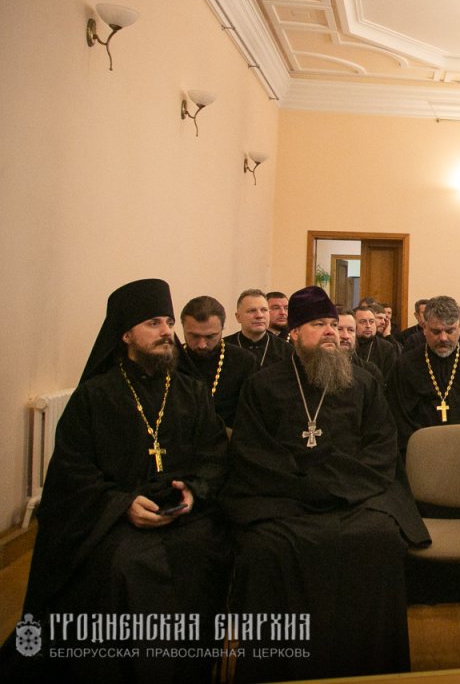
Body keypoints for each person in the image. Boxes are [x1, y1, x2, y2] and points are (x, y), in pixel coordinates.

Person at [2, 279, 230, 682]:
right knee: (126, 564)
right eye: (153, 323)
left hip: (185, 515)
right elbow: (72, 474)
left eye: (167, 322)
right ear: (126, 335)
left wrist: (194, 492)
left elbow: (215, 455)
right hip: (113, 518)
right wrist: (122, 503)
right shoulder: (94, 397)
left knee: (204, 554)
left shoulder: (191, 393)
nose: (165, 332)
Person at [222, 286, 428, 682]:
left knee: (380, 537)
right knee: (265, 548)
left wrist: (333, 483)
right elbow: (252, 453)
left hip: (354, 499)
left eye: (334, 324)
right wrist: (307, 484)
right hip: (285, 501)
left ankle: (370, 669)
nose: (333, 332)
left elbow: (382, 448)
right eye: (319, 325)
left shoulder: (364, 383)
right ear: (294, 333)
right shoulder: (263, 385)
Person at [388, 295, 460, 446]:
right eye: (436, 331)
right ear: (424, 327)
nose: (443, 338)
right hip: (421, 450)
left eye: (450, 331)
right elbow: (398, 416)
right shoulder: (406, 365)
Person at [178, 294, 256, 427]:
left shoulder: (244, 361)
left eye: (210, 336)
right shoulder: (171, 360)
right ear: (183, 329)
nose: (202, 344)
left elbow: (250, 416)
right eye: (194, 336)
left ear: (222, 330)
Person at [225, 288, 291, 368]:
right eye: (252, 311)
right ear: (238, 317)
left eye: (264, 310)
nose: (259, 315)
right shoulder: (224, 347)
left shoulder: (286, 350)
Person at [353, 303, 398, 382]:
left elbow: (390, 381)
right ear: (353, 324)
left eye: (371, 321)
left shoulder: (386, 348)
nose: (368, 326)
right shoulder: (347, 345)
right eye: (363, 322)